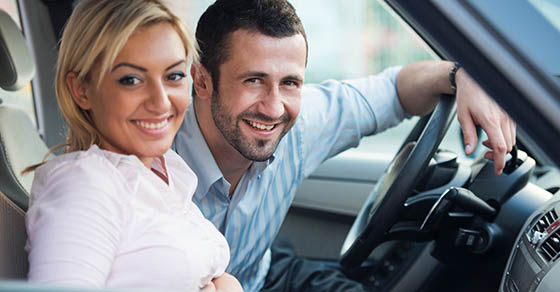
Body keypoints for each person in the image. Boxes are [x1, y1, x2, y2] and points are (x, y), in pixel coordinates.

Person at [172, 0, 516, 291]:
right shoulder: (151, 165)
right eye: (254, 80)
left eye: (290, 83)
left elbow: (397, 89)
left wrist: (463, 75)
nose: (274, 107)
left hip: (267, 274)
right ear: (201, 80)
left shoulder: (302, 126)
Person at [24, 0, 242, 291]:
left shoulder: (167, 169)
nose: (161, 101)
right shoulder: (85, 185)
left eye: (174, 76)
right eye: (131, 79)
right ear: (81, 90)